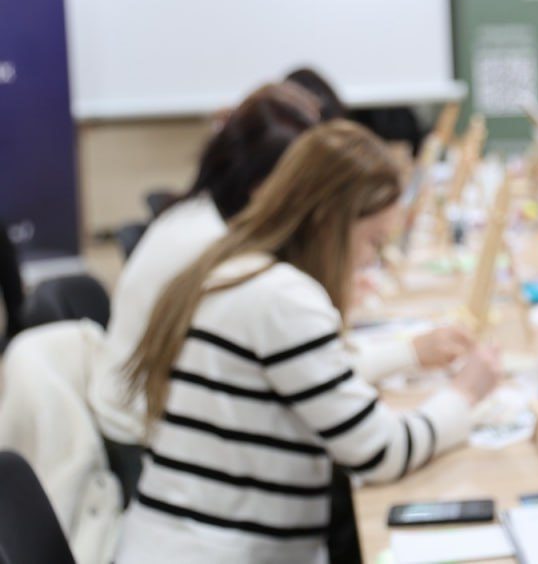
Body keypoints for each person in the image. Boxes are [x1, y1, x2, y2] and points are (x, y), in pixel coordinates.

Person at [115, 121, 500, 563]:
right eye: (372, 241)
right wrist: (464, 394)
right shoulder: (282, 298)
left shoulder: (241, 266)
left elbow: (313, 375)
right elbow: (380, 452)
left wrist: (408, 354)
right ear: (329, 224)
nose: (371, 260)